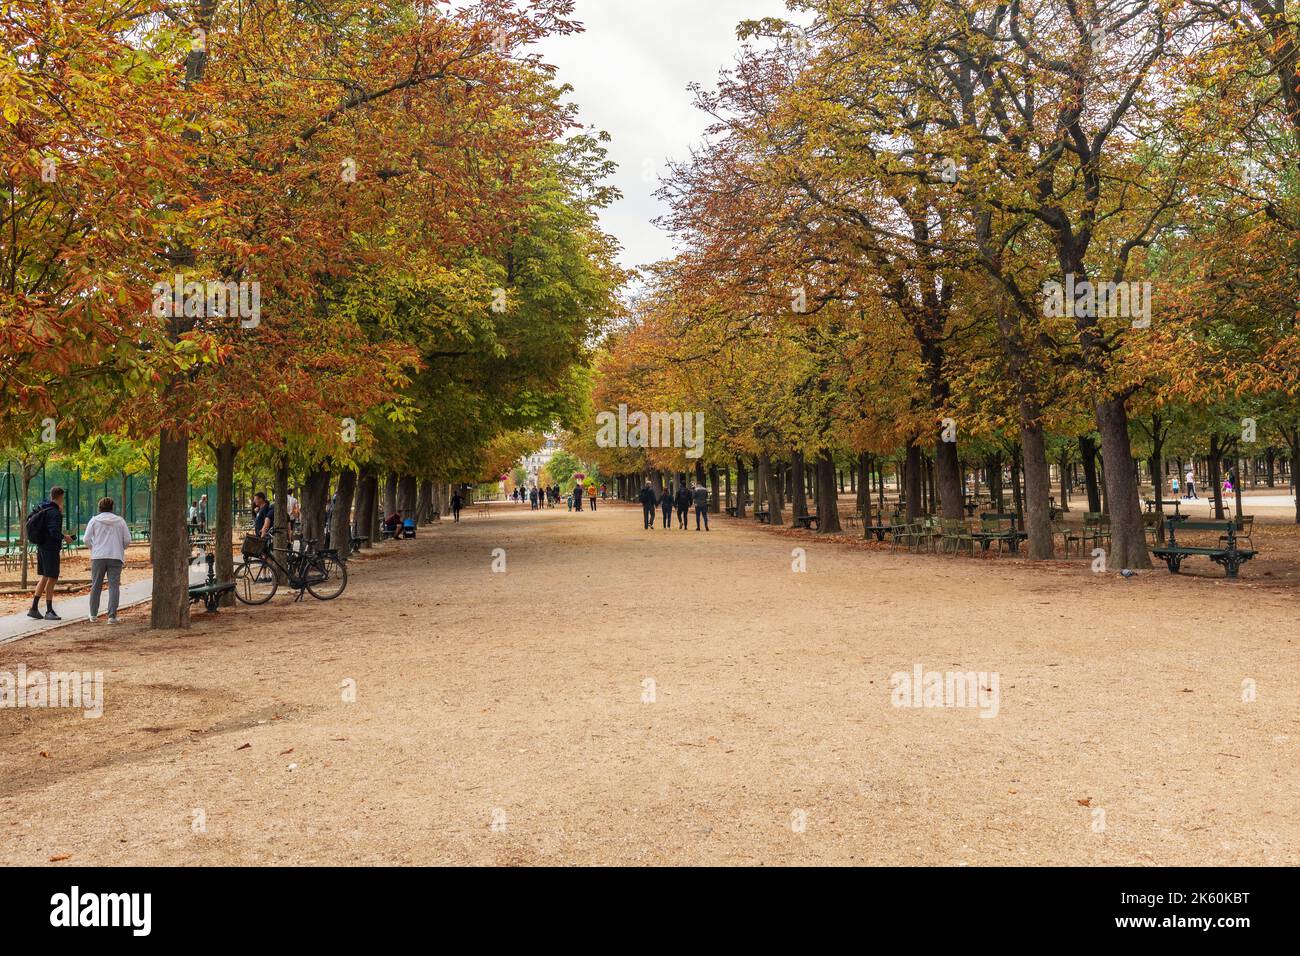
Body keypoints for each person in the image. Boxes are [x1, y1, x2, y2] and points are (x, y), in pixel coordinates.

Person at [26, 486, 74, 621]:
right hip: (50, 549)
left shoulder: (44, 508)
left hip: (41, 546)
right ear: (60, 497)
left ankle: (34, 608)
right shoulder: (54, 512)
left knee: (45, 576)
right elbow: (53, 531)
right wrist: (65, 537)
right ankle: (49, 610)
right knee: (52, 578)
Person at [84, 497, 131, 624]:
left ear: (99, 508)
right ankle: (112, 616)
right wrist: (121, 547)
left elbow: (86, 539)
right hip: (115, 556)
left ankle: (93, 614)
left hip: (98, 556)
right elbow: (127, 540)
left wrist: (94, 548)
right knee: (114, 586)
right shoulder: (120, 521)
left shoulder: (94, 520)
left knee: (96, 585)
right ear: (112, 507)